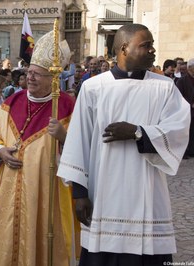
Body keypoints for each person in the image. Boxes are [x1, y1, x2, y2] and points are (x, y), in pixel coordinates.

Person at [57, 23, 190, 266]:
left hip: (147, 191)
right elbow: (79, 141)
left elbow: (179, 128)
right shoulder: (93, 87)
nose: (153, 51)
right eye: (146, 45)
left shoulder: (164, 87)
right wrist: (79, 194)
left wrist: (138, 132)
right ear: (124, 48)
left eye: (152, 45)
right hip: (103, 191)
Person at [0, 29, 78, 266]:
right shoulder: (13, 101)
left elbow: (83, 150)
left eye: (38, 74)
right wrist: (0, 152)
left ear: (53, 78)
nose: (30, 78)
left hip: (47, 191)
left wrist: (64, 136)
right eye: (28, 73)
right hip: (8, 188)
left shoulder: (66, 105)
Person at [176, 58, 194, 158]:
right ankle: (185, 151)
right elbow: (178, 97)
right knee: (186, 132)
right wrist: (190, 104)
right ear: (190, 68)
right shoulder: (182, 81)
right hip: (187, 112)